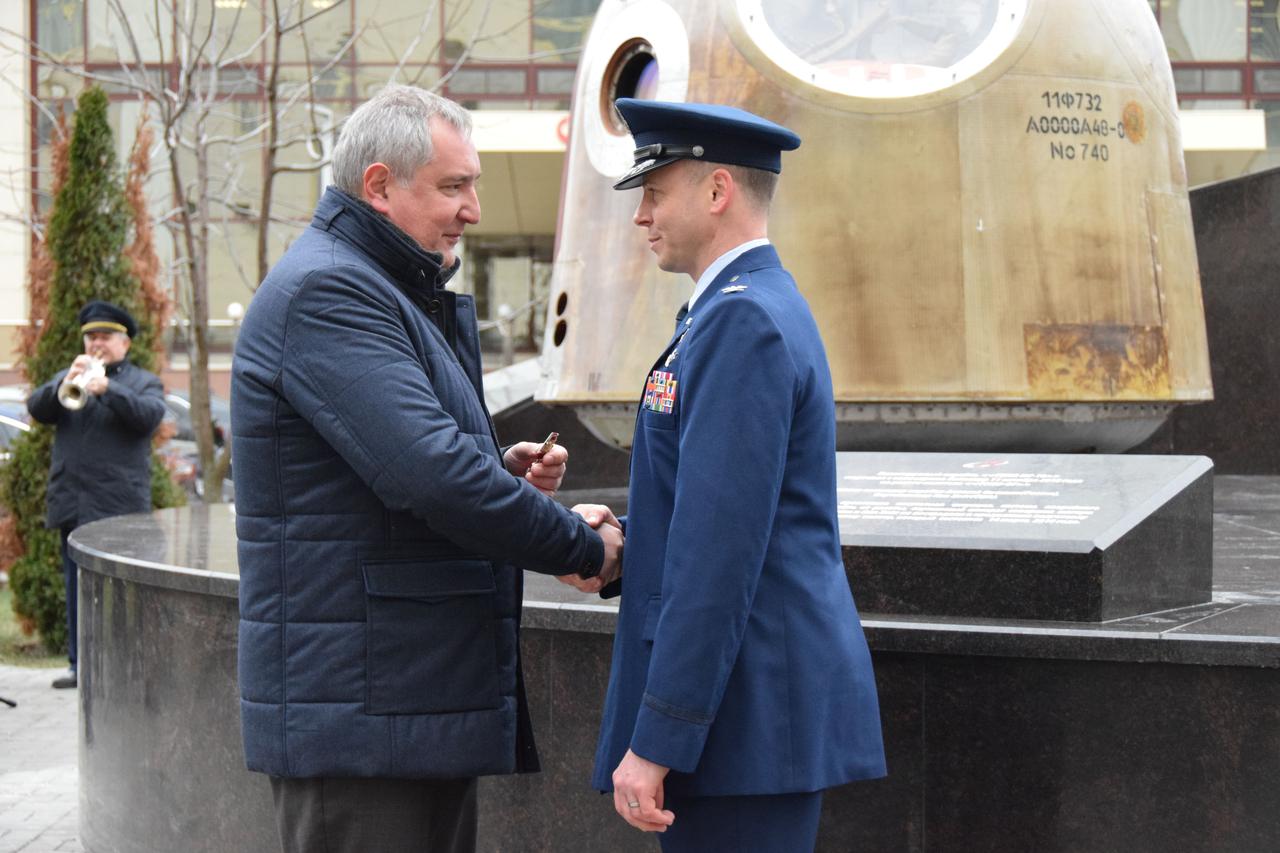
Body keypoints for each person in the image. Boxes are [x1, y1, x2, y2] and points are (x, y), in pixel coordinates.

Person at [231, 84, 622, 853]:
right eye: (454, 186)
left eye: (472, 184)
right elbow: (433, 476)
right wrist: (585, 549)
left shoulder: (382, 286)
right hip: (367, 718)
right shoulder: (330, 290)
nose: (472, 208)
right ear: (379, 185)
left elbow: (404, 463)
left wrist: (499, 474)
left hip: (399, 700)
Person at [586, 99, 887, 851]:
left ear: (716, 191)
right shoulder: (733, 310)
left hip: (740, 727)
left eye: (655, 193)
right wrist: (619, 548)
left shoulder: (740, 321)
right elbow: (715, 516)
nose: (640, 215)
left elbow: (719, 555)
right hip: (745, 720)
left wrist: (659, 739)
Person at [27, 300, 165, 690]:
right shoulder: (71, 376)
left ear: (125, 344)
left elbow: (149, 418)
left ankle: (126, 666)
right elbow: (37, 409)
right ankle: (80, 666)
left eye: (105, 337)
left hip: (119, 508)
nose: (96, 344)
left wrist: (110, 389)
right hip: (73, 501)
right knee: (76, 588)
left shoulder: (142, 382)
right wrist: (61, 383)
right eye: (90, 337)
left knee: (122, 593)